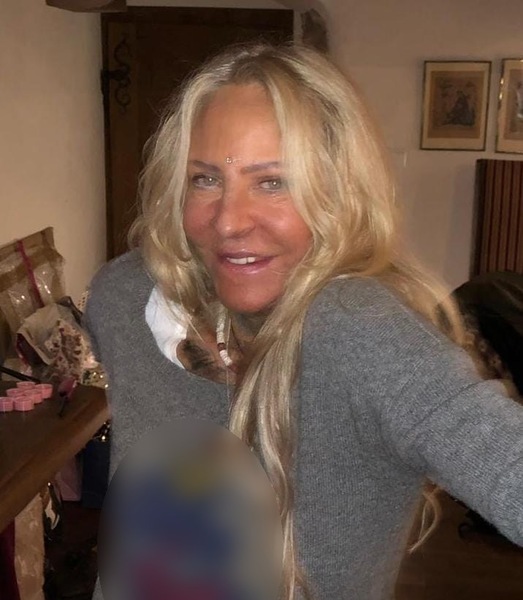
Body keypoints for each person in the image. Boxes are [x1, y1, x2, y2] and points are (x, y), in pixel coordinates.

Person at [85, 43, 523, 600]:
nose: (228, 221)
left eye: (273, 181)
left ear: (340, 193)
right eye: (205, 179)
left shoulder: (361, 331)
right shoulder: (124, 297)